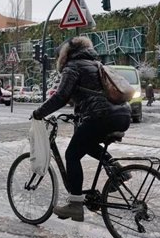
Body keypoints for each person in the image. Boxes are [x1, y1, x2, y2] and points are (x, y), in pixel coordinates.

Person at [31, 36, 131, 222]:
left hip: (101, 116)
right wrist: (77, 115)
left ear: (66, 54)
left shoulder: (73, 67)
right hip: (122, 115)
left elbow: (61, 96)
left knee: (72, 154)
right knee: (88, 144)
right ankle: (118, 171)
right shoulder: (95, 64)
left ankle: (75, 205)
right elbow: (91, 95)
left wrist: (39, 112)